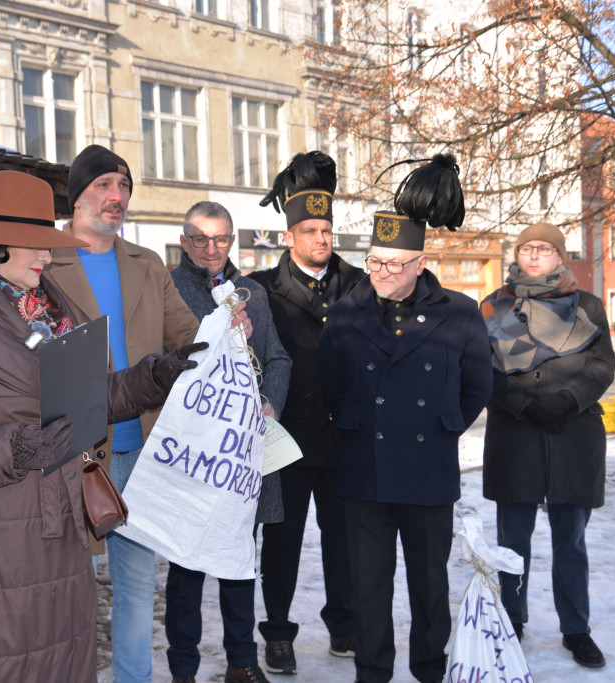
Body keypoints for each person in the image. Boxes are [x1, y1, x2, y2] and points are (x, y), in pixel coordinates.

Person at [0, 170, 205, 681]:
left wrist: (152, 378)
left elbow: (86, 399)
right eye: (33, 246)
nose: (47, 257)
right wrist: (11, 449)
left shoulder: (49, 304)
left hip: (57, 527)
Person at [319, 154, 493, 683]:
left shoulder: (460, 312)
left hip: (427, 469)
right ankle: (372, 671)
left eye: (394, 265)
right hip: (364, 471)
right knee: (368, 585)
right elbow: (332, 382)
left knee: (428, 583)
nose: (382, 274)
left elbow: (476, 386)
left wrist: (440, 426)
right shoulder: (348, 310)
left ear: (419, 264)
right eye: (375, 263)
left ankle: (428, 669)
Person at [44, 145, 202, 683]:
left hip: (142, 450)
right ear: (77, 195)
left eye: (124, 186)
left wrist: (225, 334)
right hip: (72, 454)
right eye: (104, 185)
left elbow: (185, 336)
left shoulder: (146, 263)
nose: (117, 197)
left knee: (136, 587)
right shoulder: (44, 261)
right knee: (67, 586)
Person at [165, 201, 292, 683]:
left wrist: (269, 405)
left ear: (233, 241)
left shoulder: (253, 293)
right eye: (199, 239)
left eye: (220, 239)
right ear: (184, 243)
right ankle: (183, 670)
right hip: (193, 453)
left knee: (239, 565)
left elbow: (278, 359)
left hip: (241, 454)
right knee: (187, 574)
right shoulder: (167, 289)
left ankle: (242, 662)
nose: (210, 249)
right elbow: (157, 361)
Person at [480, 222, 615, 669]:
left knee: (571, 543)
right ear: (517, 254)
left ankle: (577, 630)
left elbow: (602, 366)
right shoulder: (494, 305)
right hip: (515, 435)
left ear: (559, 255)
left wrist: (566, 399)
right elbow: (482, 371)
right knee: (512, 541)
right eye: (526, 248)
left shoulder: (588, 305)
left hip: (573, 433)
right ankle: (511, 622)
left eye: (544, 248)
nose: (534, 255)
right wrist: (522, 404)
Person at [250, 151, 362, 675]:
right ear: (290, 235)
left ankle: (344, 627)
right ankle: (277, 633)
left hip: (344, 441)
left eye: (327, 229)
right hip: (286, 440)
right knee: (282, 543)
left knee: (344, 543)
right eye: (310, 230)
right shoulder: (261, 290)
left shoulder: (359, 284)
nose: (321, 239)